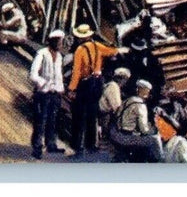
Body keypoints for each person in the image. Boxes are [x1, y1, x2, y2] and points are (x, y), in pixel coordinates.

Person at [68, 24, 127, 157]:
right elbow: (113, 51)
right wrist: (121, 50)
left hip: (85, 84)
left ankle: (78, 148)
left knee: (79, 116)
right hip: (97, 83)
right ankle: (91, 147)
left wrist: (72, 89)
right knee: (92, 114)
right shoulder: (98, 46)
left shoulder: (80, 50)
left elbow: (76, 72)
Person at [29, 29, 67, 160]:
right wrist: (43, 83)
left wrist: (60, 88)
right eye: (59, 42)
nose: (60, 45)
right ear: (53, 41)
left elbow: (59, 76)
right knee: (41, 120)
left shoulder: (60, 57)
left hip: (55, 94)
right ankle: (37, 147)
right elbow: (33, 74)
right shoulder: (42, 53)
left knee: (53, 119)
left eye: (61, 42)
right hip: (43, 93)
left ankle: (51, 143)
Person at [110, 79, 164, 162]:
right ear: (145, 92)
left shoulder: (128, 100)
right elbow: (144, 130)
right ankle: (160, 161)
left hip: (116, 133)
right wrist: (153, 129)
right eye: (148, 91)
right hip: (126, 138)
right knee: (154, 139)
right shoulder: (140, 106)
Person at [123, 38, 165, 116]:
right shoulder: (148, 55)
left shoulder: (141, 58)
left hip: (151, 82)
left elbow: (137, 72)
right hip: (153, 82)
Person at [98, 67, 131, 140]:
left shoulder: (112, 85)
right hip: (102, 115)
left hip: (103, 114)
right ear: (122, 78)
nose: (125, 82)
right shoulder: (113, 87)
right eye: (125, 80)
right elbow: (117, 107)